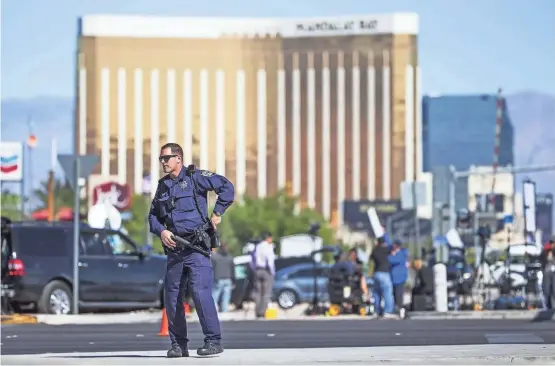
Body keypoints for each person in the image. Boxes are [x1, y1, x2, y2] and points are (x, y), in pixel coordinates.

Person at [149, 143, 235, 358]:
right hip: (175, 249)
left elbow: (227, 187)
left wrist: (217, 213)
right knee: (172, 297)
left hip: (197, 247)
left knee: (200, 293)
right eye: (161, 159)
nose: (163, 162)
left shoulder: (195, 177)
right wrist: (161, 231)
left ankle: (213, 341)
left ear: (178, 158)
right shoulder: (163, 187)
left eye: (166, 158)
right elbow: (153, 217)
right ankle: (179, 345)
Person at [250, 232, 276, 318]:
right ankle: (262, 312)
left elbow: (253, 258)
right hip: (266, 270)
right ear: (268, 238)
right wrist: (272, 272)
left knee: (258, 292)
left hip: (257, 270)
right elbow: (270, 260)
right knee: (266, 293)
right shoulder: (268, 247)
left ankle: (257, 312)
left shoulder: (258, 246)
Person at [370, 237, 396, 318]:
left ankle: (376, 311)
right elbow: (393, 251)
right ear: (384, 243)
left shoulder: (375, 250)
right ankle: (388, 311)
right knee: (387, 292)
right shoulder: (386, 249)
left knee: (377, 293)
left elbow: (371, 258)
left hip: (376, 273)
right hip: (384, 273)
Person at [211, 242, 236, 313]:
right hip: (228, 279)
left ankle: (213, 311)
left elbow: (211, 268)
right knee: (226, 297)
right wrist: (234, 281)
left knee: (215, 296)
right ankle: (224, 312)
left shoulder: (214, 257)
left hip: (218, 279)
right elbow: (233, 271)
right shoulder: (230, 258)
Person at [388, 239, 409, 318]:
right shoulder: (397, 253)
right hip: (393, 277)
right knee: (394, 294)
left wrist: (392, 255)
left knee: (399, 295)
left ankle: (400, 309)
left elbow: (391, 260)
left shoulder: (401, 254)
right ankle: (397, 308)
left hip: (399, 278)